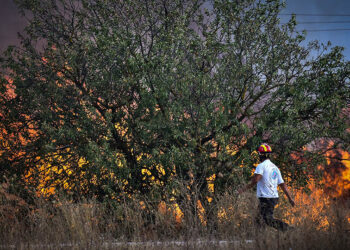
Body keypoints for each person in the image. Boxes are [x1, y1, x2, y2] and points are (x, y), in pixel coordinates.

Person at [238, 143, 295, 232]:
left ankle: (288, 229)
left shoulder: (261, 166)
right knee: (259, 219)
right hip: (273, 197)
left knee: (267, 219)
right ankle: (259, 239)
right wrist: (290, 198)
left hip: (266, 198)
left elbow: (255, 180)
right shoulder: (275, 168)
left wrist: (242, 189)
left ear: (261, 155)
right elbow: (283, 185)